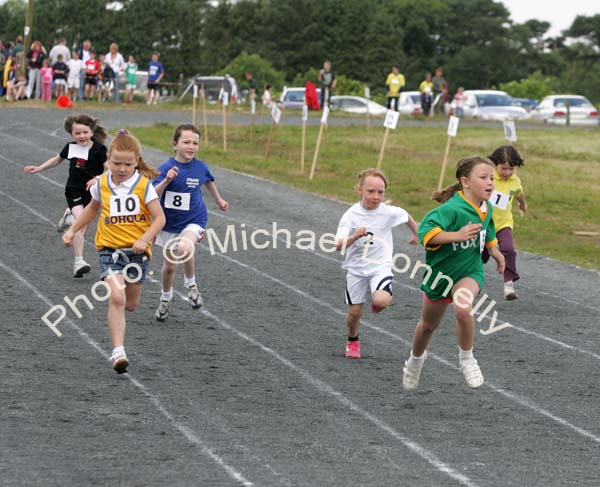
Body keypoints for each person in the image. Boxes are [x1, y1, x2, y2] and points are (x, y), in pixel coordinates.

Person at [63, 130, 166, 374]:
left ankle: (118, 334)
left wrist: (144, 239)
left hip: (137, 254)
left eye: (127, 164)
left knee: (130, 304)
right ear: (108, 158)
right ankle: (118, 351)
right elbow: (91, 209)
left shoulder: (143, 186)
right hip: (109, 249)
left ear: (137, 161)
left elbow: (160, 218)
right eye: (117, 163)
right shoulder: (101, 183)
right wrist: (73, 230)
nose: (121, 169)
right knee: (117, 297)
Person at [401, 156, 505, 391]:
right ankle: (415, 360)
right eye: (484, 177)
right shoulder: (450, 210)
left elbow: (487, 227)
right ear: (465, 182)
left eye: (492, 178)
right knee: (428, 326)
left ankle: (467, 359)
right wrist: (456, 235)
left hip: (469, 271)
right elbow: (425, 235)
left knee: (463, 308)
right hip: (439, 277)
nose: (490, 182)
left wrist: (495, 252)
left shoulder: (486, 207)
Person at [335, 168, 418, 359]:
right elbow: (337, 245)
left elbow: (406, 216)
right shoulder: (351, 215)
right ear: (360, 190)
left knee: (381, 300)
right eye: (371, 191)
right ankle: (353, 340)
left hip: (380, 266)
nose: (376, 196)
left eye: (380, 192)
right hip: (356, 269)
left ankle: (378, 301)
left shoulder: (388, 212)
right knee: (354, 313)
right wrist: (354, 236)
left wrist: (416, 233)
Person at [152, 124, 229, 322]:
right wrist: (167, 181)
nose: (191, 146)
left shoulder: (200, 167)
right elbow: (153, 194)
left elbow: (209, 181)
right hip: (169, 224)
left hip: (194, 219)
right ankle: (165, 299)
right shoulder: (165, 168)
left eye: (195, 143)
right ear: (175, 144)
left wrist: (219, 200)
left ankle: (191, 285)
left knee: (185, 246)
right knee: (169, 267)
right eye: (186, 142)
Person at [24, 114, 108, 277]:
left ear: (91, 132)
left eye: (85, 132)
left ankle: (68, 215)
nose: (81, 136)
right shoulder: (70, 148)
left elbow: (109, 169)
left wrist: (97, 178)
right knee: (80, 224)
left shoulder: (99, 150)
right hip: (74, 189)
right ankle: (79, 262)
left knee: (82, 227)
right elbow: (57, 160)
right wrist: (39, 168)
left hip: (93, 192)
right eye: (77, 133)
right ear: (72, 134)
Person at [483, 146, 527, 300]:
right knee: (479, 256)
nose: (507, 172)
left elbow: (519, 193)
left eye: (511, 169)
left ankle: (509, 285)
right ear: (496, 164)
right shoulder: (488, 177)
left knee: (508, 249)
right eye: (504, 168)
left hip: (503, 223)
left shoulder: (515, 181)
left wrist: (522, 205)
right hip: (484, 223)